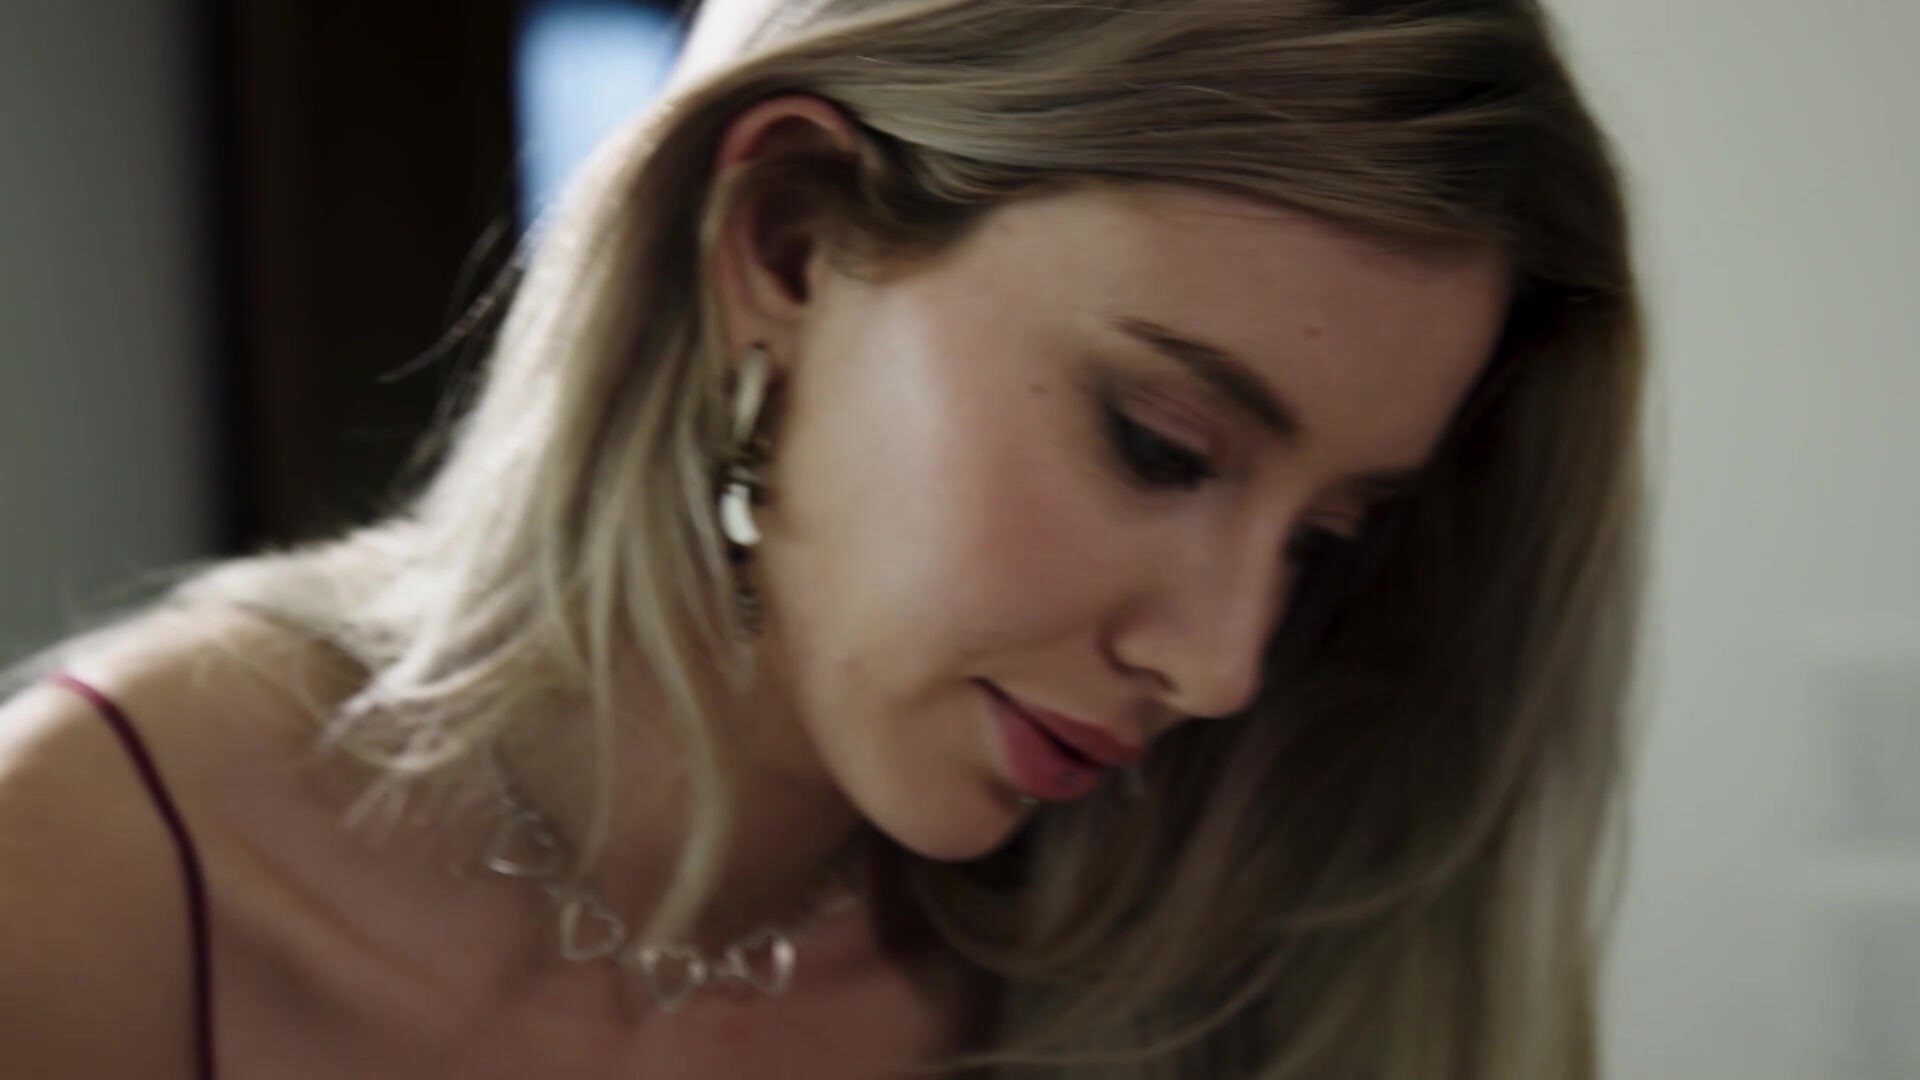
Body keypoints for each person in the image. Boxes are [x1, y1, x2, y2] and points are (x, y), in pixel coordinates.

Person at [0, 0, 1645, 1076]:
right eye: (1162, 446)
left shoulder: (1219, 964)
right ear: (785, 240)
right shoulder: (87, 878)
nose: (1221, 667)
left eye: (1324, 539)